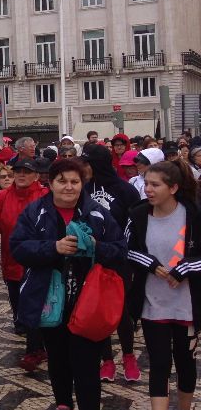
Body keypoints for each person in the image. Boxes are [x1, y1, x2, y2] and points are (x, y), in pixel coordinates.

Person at [11, 158, 127, 410]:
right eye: (62, 180)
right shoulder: (36, 212)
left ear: (82, 184)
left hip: (88, 303)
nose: (68, 187)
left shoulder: (98, 213)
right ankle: (63, 405)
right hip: (50, 302)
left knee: (86, 366)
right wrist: (53, 248)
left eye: (75, 181)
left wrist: (96, 246)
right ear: (50, 183)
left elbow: (120, 250)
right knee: (59, 358)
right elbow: (18, 247)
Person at [126, 160, 200, 410]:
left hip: (187, 305)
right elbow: (128, 249)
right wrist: (151, 264)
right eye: (146, 183)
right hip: (152, 303)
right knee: (158, 363)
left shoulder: (193, 214)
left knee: (185, 362)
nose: (148, 189)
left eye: (155, 185)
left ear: (173, 188)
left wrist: (185, 268)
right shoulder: (138, 214)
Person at [80, 142, 142, 383]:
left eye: (87, 163)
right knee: (99, 309)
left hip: (119, 258)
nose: (83, 168)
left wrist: (127, 253)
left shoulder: (125, 190)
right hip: (92, 258)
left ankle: (128, 356)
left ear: (96, 165)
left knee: (121, 309)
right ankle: (106, 359)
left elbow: (135, 224)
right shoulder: (85, 189)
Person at [0, 158, 48, 370]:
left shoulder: (46, 196)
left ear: (36, 175)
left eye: (27, 171)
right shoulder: (1, 198)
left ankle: (35, 349)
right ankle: (32, 338)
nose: (21, 175)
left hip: (40, 263)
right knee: (19, 307)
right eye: (18, 171)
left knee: (35, 306)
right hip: (12, 263)